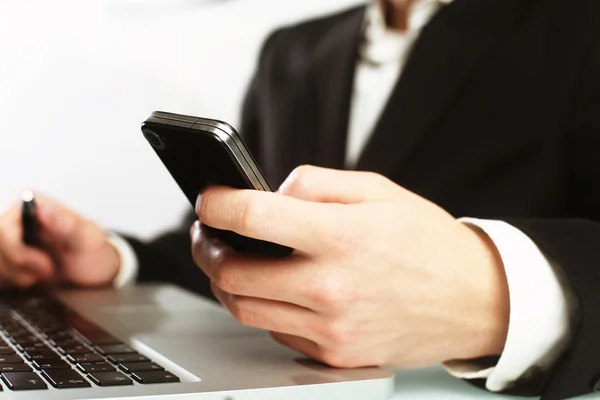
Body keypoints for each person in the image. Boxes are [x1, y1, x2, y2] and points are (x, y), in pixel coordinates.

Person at [0, 0, 598, 398]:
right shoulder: (293, 51)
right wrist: (114, 261)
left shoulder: (578, 28)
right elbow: (238, 245)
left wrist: (495, 296)